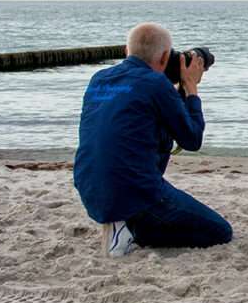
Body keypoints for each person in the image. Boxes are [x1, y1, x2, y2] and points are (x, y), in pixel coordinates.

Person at [73, 22, 232, 256]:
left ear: (127, 52)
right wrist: (190, 87)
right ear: (166, 56)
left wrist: (173, 90)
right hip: (134, 192)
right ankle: (130, 229)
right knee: (220, 231)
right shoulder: (155, 84)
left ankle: (124, 221)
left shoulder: (99, 79)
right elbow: (192, 139)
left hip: (90, 189)